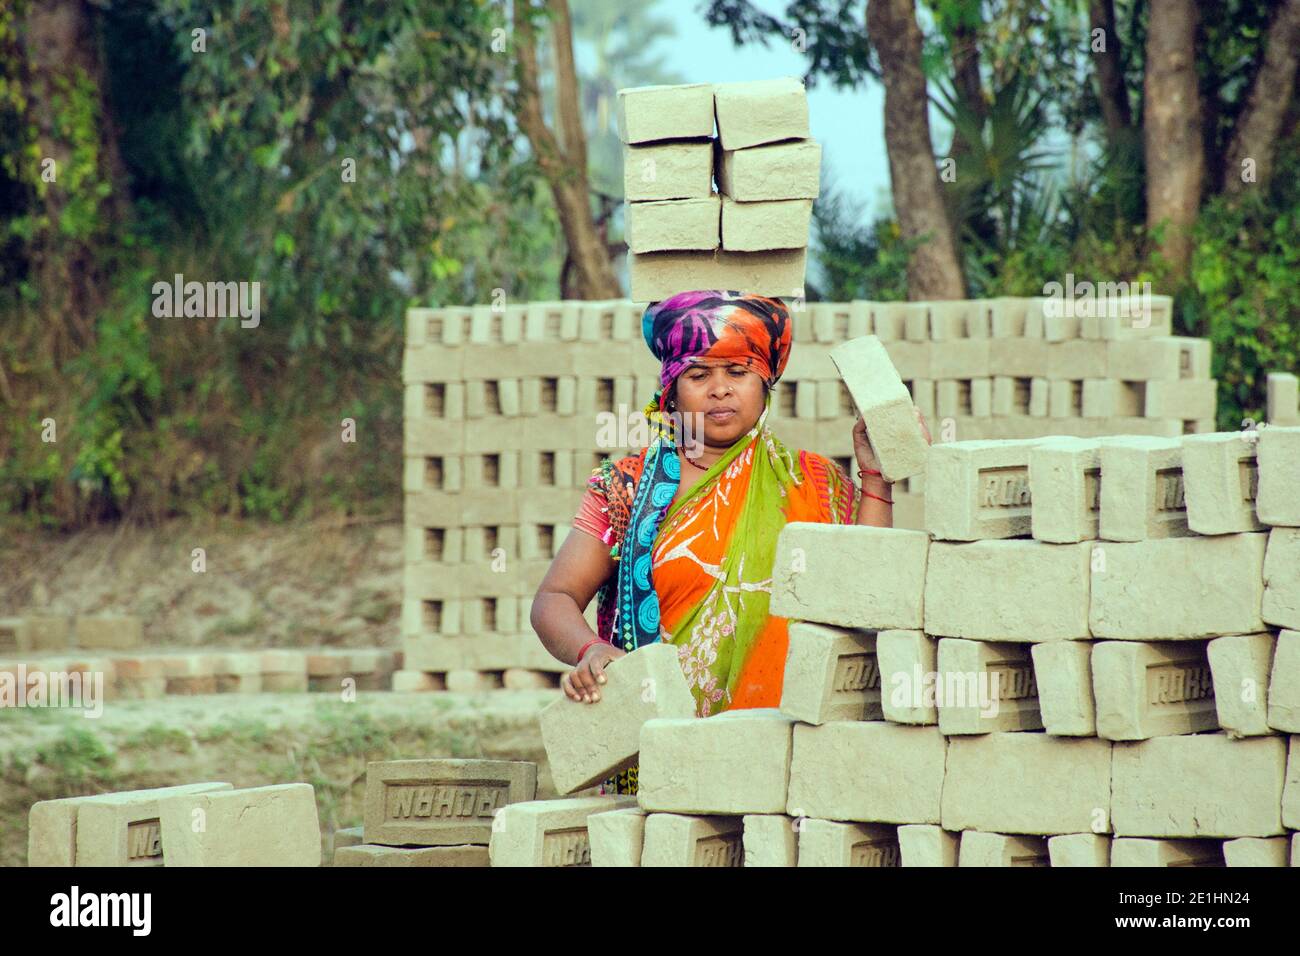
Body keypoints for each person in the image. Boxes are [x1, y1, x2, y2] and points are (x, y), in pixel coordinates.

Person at [529, 290, 932, 794]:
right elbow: (554, 599)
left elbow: (869, 590)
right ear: (671, 391)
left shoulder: (812, 481)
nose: (720, 389)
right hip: (664, 757)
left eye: (738, 373)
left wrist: (875, 475)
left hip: (790, 750)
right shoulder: (627, 486)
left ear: (766, 383)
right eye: (699, 375)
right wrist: (592, 650)